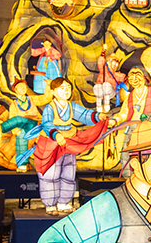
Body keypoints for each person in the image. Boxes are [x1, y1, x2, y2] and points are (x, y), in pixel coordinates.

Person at [33, 78, 107, 214]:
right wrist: (56, 135)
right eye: (62, 88)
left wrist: (98, 116)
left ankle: (63, 202)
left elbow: (84, 114)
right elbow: (47, 123)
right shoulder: (50, 107)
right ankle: (50, 204)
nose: (66, 90)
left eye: (68, 87)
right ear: (53, 92)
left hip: (68, 143)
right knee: (51, 174)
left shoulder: (71, 106)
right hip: (52, 143)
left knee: (68, 172)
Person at [0, 79, 51, 171]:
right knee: (21, 136)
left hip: (33, 124)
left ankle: (2, 127)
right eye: (20, 87)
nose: (23, 88)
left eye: (24, 86)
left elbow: (46, 98)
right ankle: (22, 165)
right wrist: (15, 130)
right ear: (16, 90)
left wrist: (48, 86)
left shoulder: (32, 99)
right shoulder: (14, 104)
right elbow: (12, 116)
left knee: (18, 119)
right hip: (23, 128)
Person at [93, 46, 125, 113]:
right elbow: (100, 61)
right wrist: (104, 51)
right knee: (98, 86)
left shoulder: (116, 75)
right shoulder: (103, 70)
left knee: (106, 85)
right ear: (108, 62)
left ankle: (106, 105)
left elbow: (124, 78)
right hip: (100, 92)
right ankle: (99, 106)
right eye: (113, 62)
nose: (115, 64)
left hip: (110, 93)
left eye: (117, 63)